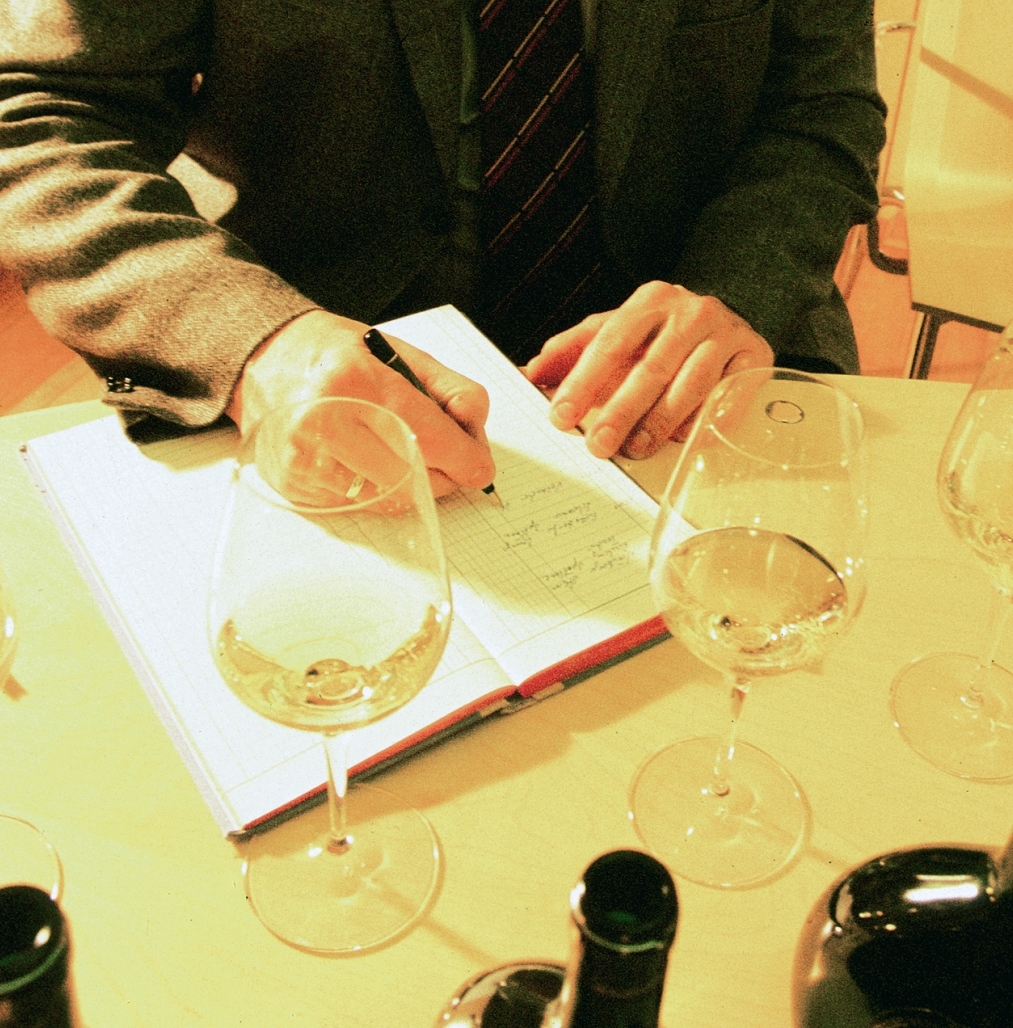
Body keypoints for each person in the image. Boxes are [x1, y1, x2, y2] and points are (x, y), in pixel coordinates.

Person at [0, 0, 885, 494]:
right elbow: (42, 113)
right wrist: (258, 344)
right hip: (308, 354)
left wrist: (736, 288)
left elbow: (821, 106)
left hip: (705, 349)